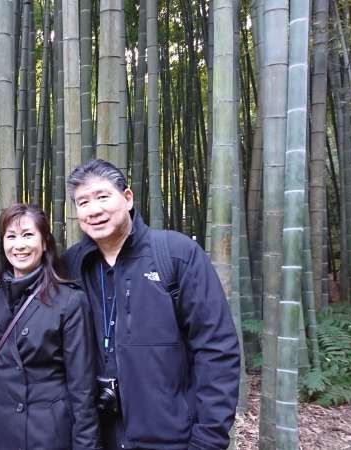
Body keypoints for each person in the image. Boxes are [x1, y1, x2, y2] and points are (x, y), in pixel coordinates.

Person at [62, 159, 240, 450]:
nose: (93, 210)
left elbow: (216, 349)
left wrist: (208, 439)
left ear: (127, 198)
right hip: (93, 437)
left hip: (169, 436)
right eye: (83, 202)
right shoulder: (71, 265)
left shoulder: (176, 255)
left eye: (102, 196)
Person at [0, 204, 99, 450]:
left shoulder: (69, 300)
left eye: (28, 235)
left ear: (45, 243)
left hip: (44, 435)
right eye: (10, 237)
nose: (18, 245)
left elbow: (82, 390)